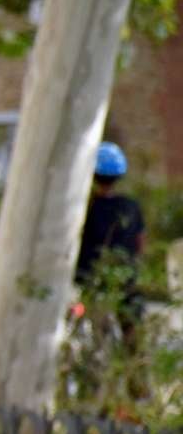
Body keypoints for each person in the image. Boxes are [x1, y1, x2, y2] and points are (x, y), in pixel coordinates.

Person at [75, 141, 145, 342]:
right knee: (132, 330)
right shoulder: (130, 206)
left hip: (92, 281)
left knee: (97, 333)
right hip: (127, 278)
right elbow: (140, 242)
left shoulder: (86, 209)